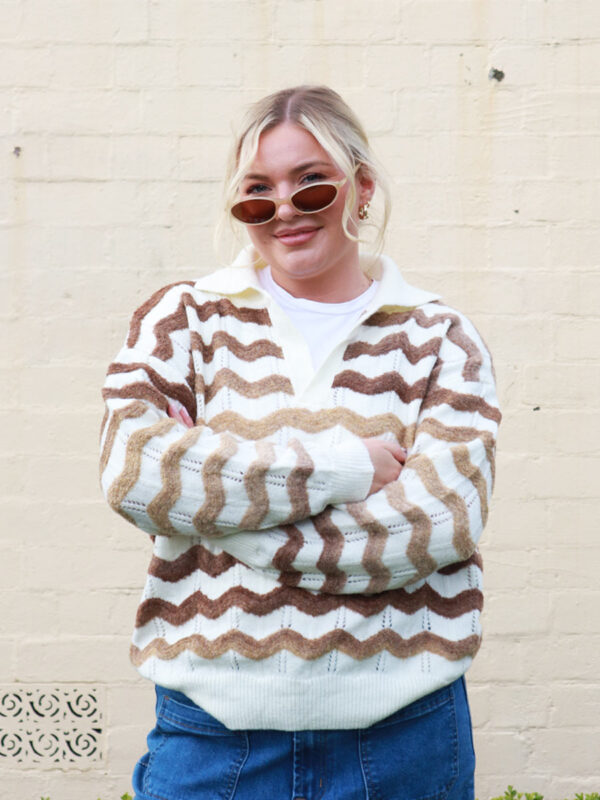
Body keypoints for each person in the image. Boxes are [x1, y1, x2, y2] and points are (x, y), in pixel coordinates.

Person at [100, 85, 501, 800]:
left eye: (310, 186)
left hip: (401, 737)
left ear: (362, 187)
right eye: (257, 193)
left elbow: (438, 525)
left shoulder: (439, 336)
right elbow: (135, 473)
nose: (284, 210)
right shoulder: (185, 322)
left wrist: (223, 514)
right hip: (212, 738)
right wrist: (346, 468)